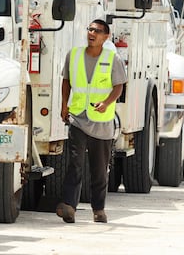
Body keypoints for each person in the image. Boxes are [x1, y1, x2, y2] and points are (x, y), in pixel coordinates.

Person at [57, 19, 127, 224]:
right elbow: (66, 81)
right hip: (78, 117)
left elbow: (119, 87)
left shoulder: (112, 59)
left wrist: (106, 103)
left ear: (106, 37)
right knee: (75, 163)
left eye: (97, 31)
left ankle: (98, 208)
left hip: (102, 122)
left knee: (99, 169)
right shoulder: (75, 55)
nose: (92, 33)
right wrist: (64, 105)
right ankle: (69, 206)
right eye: (90, 29)